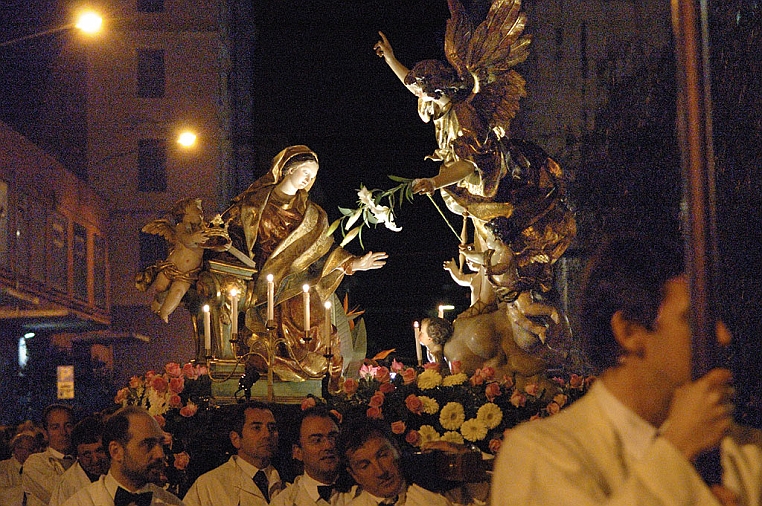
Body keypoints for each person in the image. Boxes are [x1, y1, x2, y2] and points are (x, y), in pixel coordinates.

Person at [491, 232, 762, 505]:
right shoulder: (542, 454)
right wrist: (676, 450)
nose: (723, 335)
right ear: (629, 331)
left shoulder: (744, 452)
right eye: (693, 319)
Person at [373, 0, 575, 301]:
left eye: (426, 91)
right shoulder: (438, 106)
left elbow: (473, 165)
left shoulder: (464, 115)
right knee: (482, 244)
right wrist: (390, 58)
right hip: (470, 186)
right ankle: (486, 298)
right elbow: (411, 84)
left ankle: (503, 295)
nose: (421, 97)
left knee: (495, 241)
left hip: (493, 180)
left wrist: (436, 182)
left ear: (439, 89)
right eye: (420, 91)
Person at [223, 145, 387, 386]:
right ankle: (268, 362)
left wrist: (354, 263)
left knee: (317, 328)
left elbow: (325, 250)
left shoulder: (314, 215)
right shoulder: (252, 206)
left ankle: (308, 374)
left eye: (313, 176)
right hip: (264, 279)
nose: (309, 179)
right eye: (305, 172)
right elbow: (229, 234)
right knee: (266, 336)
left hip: (299, 283)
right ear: (288, 169)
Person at [61, 405, 183, 506]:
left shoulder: (171, 503)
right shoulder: (79, 503)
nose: (160, 454)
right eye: (148, 444)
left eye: (161, 444)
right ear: (116, 451)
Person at [184, 401, 283, 506]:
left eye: (272, 428)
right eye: (256, 428)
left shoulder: (288, 485)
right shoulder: (209, 485)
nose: (267, 435)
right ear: (235, 439)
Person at [337, 418, 452, 506]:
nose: (380, 471)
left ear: (397, 449)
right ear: (354, 474)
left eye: (383, 456)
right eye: (365, 466)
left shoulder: (436, 494)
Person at [136, 197, 211, 322]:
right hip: (171, 265)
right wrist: (194, 238)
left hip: (186, 274)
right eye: (197, 209)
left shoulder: (204, 230)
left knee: (178, 291)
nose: (201, 212)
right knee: (160, 286)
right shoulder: (182, 227)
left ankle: (165, 312)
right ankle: (158, 301)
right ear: (185, 214)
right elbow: (185, 239)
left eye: (201, 210)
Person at [272, 406, 349, 506]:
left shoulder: (362, 492)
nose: (328, 446)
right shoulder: (283, 502)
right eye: (317, 440)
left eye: (333, 437)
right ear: (297, 452)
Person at [49, 416, 109, 506]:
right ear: (77, 455)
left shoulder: (122, 473)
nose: (96, 460)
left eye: (100, 451)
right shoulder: (67, 485)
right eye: (87, 455)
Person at [22, 404, 75, 506]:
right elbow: (62, 497)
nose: (63, 432)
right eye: (55, 427)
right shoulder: (35, 463)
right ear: (45, 432)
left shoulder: (83, 459)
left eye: (68, 426)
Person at [0, 427, 43, 506]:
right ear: (17, 449)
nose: (35, 453)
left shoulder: (39, 467)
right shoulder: (3, 468)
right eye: (31, 449)